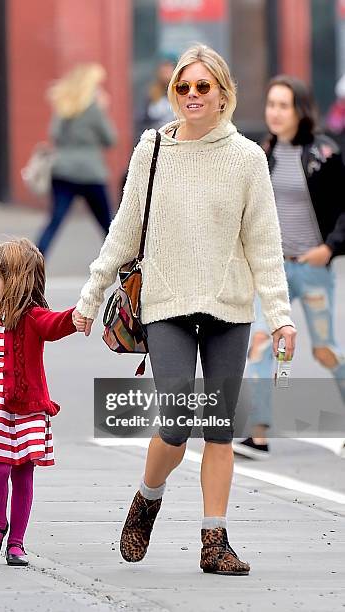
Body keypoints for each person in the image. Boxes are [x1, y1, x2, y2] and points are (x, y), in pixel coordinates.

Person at [72, 44, 296, 576]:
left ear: (223, 94)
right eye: (183, 87)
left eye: (202, 87)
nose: (192, 96)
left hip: (229, 307)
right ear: (173, 92)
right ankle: (148, 497)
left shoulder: (247, 159)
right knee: (174, 423)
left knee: (218, 429)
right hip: (166, 303)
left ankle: (213, 540)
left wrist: (281, 316)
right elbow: (124, 231)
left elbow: (264, 245)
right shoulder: (152, 150)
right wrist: (91, 293)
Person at [233, 75, 345, 460]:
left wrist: (329, 249)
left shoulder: (324, 154)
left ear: (300, 110)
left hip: (312, 269)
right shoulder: (260, 154)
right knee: (262, 345)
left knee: (326, 351)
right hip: (273, 270)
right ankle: (259, 434)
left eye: (284, 105)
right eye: (271, 105)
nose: (275, 113)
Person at [0, 238, 77, 566]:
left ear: (16, 281)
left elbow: (55, 324)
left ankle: (17, 543)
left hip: (24, 407)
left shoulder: (30, 317)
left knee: (23, 471)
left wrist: (79, 315)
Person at [37, 63, 117, 255]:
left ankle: (35, 262)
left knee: (55, 220)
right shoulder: (94, 109)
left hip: (63, 170)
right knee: (108, 224)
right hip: (91, 172)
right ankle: (126, 265)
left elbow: (53, 133)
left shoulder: (64, 107)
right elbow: (110, 139)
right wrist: (103, 109)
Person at [136, 56, 177, 136]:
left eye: (169, 67)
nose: (166, 71)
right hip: (155, 138)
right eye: (163, 67)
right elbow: (142, 120)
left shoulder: (180, 92)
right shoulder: (151, 92)